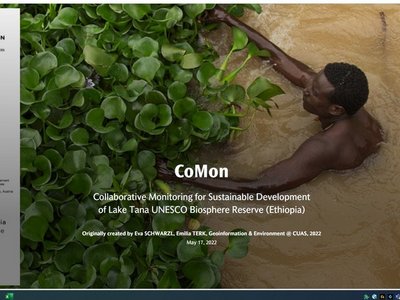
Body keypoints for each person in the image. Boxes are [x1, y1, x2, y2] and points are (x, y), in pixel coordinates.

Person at [158, 6, 384, 194]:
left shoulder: (323, 147)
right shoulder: (346, 99)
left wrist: (178, 175)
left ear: (336, 109)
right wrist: (228, 19)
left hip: (354, 168)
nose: (306, 89)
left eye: (314, 92)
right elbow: (278, 58)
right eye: (313, 82)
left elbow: (263, 185)